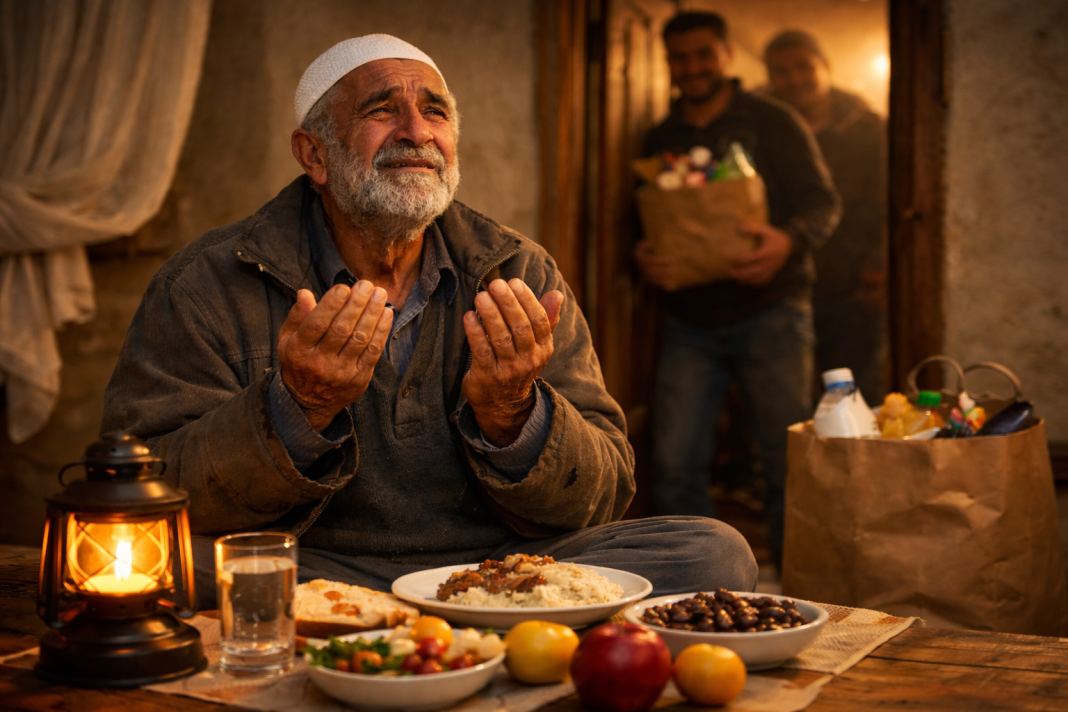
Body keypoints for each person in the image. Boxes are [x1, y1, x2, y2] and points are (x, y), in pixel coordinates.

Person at [101, 34, 757, 606]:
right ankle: (428, 630)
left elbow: (607, 487)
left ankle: (438, 622)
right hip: (320, 574)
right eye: (382, 110)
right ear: (314, 154)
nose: (416, 131)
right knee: (155, 564)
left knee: (712, 553)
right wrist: (293, 410)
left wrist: (516, 417)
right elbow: (142, 485)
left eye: (433, 111)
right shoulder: (212, 281)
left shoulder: (517, 270)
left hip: (500, 574)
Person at [634, 13, 840, 571]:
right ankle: (694, 586)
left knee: (786, 460)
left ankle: (799, 585)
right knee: (674, 463)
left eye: (703, 54)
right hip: (690, 322)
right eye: (680, 58)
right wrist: (644, 255)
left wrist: (785, 242)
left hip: (773, 312)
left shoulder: (773, 121)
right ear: (668, 62)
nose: (692, 68)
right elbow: (641, 226)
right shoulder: (660, 138)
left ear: (726, 55)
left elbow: (823, 204)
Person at [763, 30, 888, 403]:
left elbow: (891, 203)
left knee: (855, 398)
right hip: (778, 287)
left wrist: (881, 267)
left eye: (804, 66)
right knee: (782, 405)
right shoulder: (761, 130)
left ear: (825, 67)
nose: (795, 78)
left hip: (852, 288)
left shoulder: (869, 129)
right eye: (781, 71)